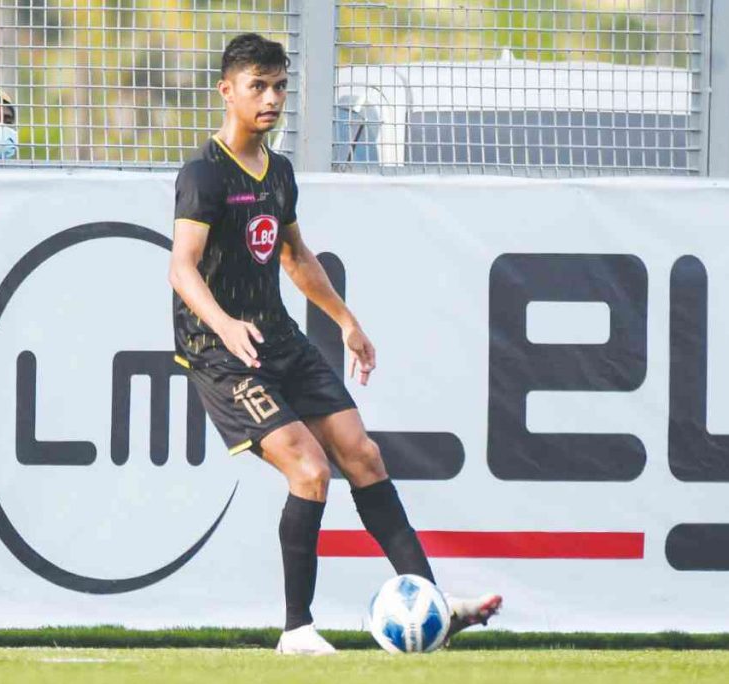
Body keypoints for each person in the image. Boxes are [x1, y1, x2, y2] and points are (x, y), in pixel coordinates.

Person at [169, 33, 501, 655]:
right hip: (221, 351)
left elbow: (293, 253)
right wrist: (223, 323)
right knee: (310, 468)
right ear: (227, 91)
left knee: (364, 457)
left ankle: (431, 602)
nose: (271, 99)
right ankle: (297, 629)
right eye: (257, 86)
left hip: (279, 339)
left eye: (279, 87)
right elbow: (182, 269)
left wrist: (346, 320)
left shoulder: (279, 172)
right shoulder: (204, 175)